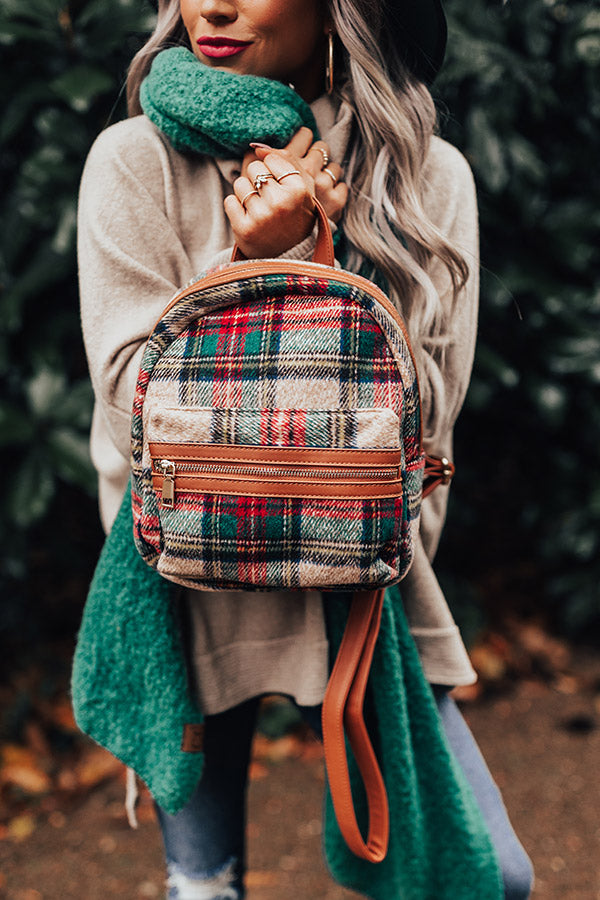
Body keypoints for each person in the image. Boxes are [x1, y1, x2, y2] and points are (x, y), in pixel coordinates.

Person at [77, 0, 535, 898]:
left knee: (490, 878)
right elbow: (137, 393)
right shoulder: (132, 159)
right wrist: (251, 262)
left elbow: (426, 418)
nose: (212, 5)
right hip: (182, 572)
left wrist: (320, 270)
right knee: (204, 888)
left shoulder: (428, 176)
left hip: (364, 582)